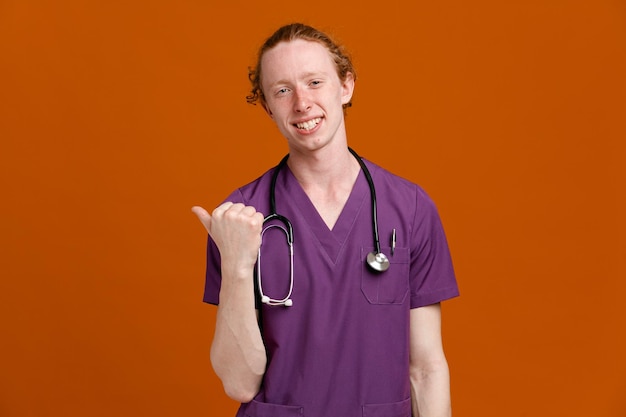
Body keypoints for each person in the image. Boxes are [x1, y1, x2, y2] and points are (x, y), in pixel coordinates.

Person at [192, 23, 459, 417]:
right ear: (267, 106)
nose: (302, 103)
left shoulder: (410, 208)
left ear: (346, 86)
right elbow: (239, 383)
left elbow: (427, 367)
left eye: (314, 82)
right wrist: (236, 265)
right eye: (282, 90)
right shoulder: (241, 218)